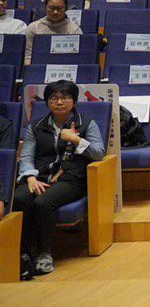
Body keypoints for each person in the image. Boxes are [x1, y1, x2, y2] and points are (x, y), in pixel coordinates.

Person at [15, 80, 107, 277]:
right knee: (19, 198)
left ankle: (44, 253)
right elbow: (27, 157)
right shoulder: (36, 126)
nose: (58, 102)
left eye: (64, 98)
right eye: (53, 98)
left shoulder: (86, 123)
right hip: (40, 177)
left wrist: (76, 139)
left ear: (74, 101)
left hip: (71, 179)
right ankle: (24, 253)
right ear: (47, 102)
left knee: (43, 203)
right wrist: (30, 177)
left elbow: (99, 153)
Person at [23, 0, 82, 66]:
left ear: (66, 9)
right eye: (51, 8)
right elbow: (27, 55)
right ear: (45, 8)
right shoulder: (33, 27)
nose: (55, 12)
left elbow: (78, 57)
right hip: (38, 67)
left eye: (59, 8)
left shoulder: (74, 29)